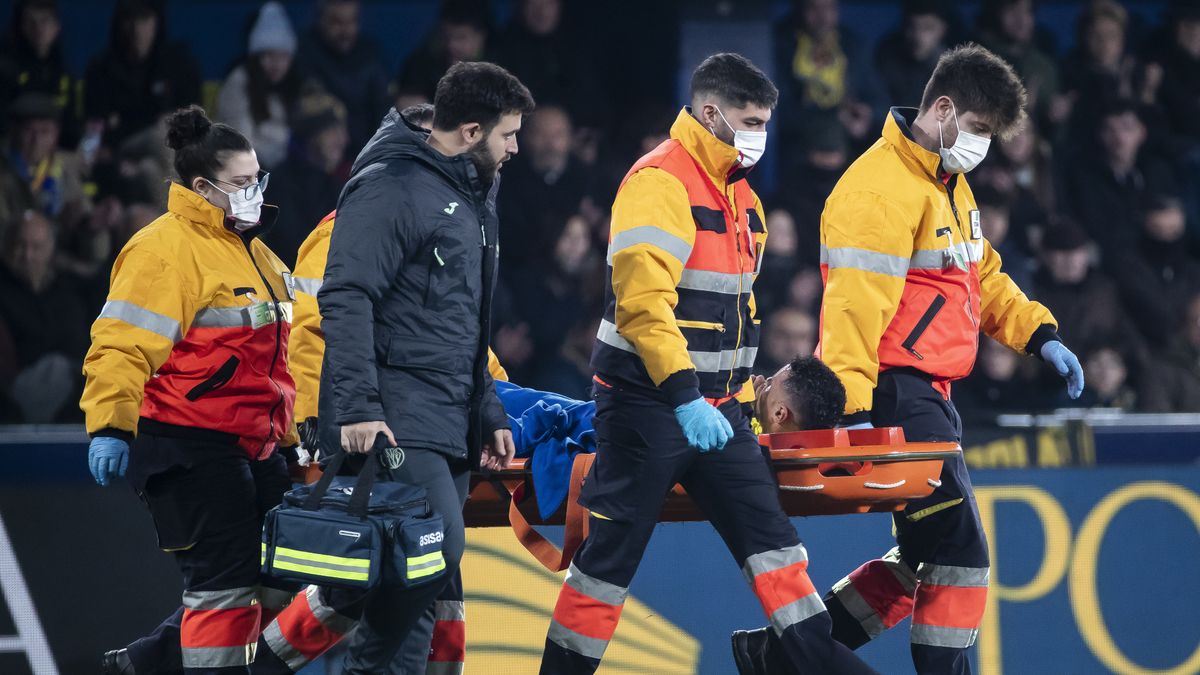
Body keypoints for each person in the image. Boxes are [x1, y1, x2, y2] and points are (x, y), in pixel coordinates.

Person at [731, 44, 1086, 675]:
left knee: (924, 556)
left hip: (929, 398)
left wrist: (1037, 333)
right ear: (944, 109)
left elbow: (982, 278)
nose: (982, 146)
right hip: (900, 395)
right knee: (960, 554)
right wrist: (855, 414)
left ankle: (779, 654)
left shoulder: (946, 185)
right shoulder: (880, 189)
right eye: (978, 131)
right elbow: (852, 311)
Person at [540, 52, 875, 675]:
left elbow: (735, 313)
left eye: (767, 122)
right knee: (605, 570)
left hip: (718, 414)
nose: (761, 136)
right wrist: (685, 395)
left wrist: (720, 401)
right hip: (645, 407)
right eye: (751, 121)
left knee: (779, 555)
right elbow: (644, 309)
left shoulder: (742, 200)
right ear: (710, 112)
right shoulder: (659, 182)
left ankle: (789, 663)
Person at [254, 62, 533, 674]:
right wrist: (356, 409)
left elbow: (467, 324)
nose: (516, 147)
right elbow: (345, 298)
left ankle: (266, 666)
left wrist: (486, 410)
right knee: (429, 557)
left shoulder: (475, 197)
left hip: (446, 419)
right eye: (508, 134)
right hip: (393, 418)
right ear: (469, 130)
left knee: (414, 577)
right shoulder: (388, 187)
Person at [81, 106, 300, 674]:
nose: (255, 192)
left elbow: (282, 362)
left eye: (260, 179)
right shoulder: (163, 251)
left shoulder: (256, 252)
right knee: (224, 585)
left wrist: (296, 435)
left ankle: (145, 664)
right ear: (202, 186)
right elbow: (121, 344)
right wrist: (109, 425)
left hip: (254, 443)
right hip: (187, 439)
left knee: (285, 577)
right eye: (243, 183)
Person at [0, 209, 92, 423]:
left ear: (50, 248)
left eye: (36, 246)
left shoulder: (72, 288)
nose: (27, 255)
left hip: (80, 404)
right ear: (5, 247)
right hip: (15, 406)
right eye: (19, 245)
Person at [83, 0, 202, 148]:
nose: (136, 29)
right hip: (115, 152)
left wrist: (121, 121)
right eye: (129, 19)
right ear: (118, 23)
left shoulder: (180, 66)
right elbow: (94, 127)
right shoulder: (100, 69)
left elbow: (193, 123)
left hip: (167, 152)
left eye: (144, 19)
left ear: (157, 22)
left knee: (157, 150)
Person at [216, 1, 311, 170]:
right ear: (256, 57)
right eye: (268, 55)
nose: (276, 64)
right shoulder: (239, 82)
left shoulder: (294, 85)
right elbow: (240, 146)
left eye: (282, 56)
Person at [264, 91, 350, 268]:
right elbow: (290, 247)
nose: (343, 139)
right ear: (310, 137)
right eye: (332, 130)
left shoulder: (335, 184)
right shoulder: (281, 184)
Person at [296, 0, 390, 152]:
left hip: (364, 151)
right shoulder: (304, 53)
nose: (345, 31)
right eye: (337, 22)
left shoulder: (370, 54)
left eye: (351, 21)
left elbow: (382, 110)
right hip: (319, 153)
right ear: (320, 20)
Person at [0, 0, 77, 140]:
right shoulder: (5, 70)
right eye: (31, 22)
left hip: (58, 153)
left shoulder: (66, 73)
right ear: (20, 27)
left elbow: (73, 124)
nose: (38, 29)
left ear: (57, 27)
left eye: (45, 21)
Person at [395, 1, 491, 103]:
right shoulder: (420, 64)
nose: (451, 45)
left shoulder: (499, 67)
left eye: (461, 37)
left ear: (481, 37)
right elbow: (407, 104)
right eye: (446, 36)